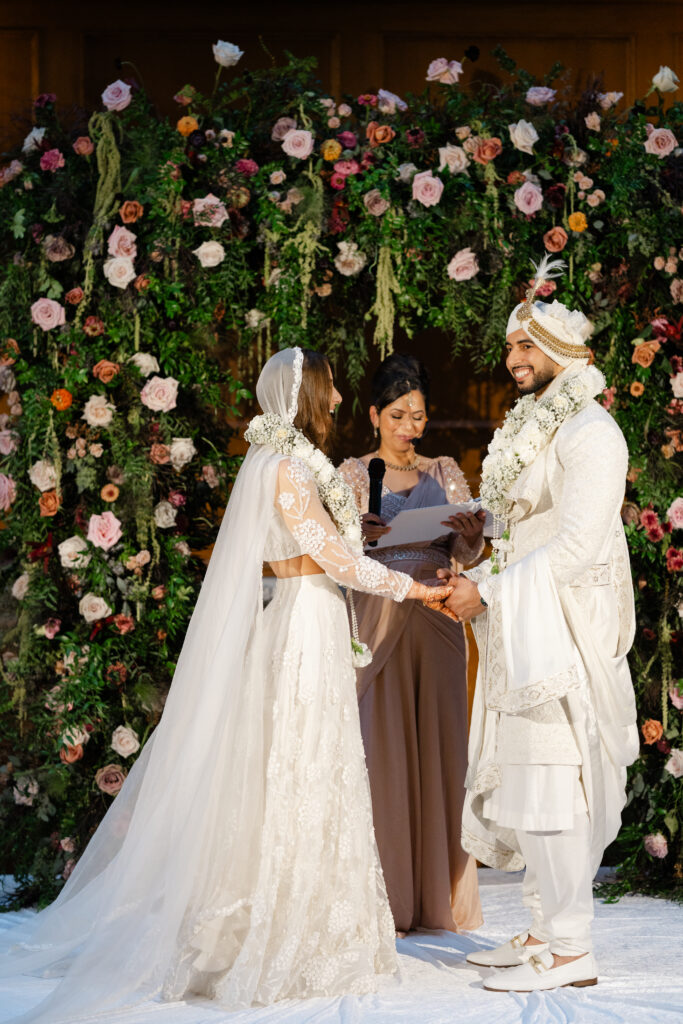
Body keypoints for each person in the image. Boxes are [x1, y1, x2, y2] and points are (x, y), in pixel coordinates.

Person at [0, 347, 453, 1022]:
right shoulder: (285, 467)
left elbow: (325, 546)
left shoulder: (285, 463)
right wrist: (412, 587)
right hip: (304, 618)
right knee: (300, 765)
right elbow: (330, 557)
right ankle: (285, 930)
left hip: (312, 615)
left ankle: (320, 918)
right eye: (327, 393)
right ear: (304, 396)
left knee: (313, 764)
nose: (333, 403)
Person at [437, 259, 638, 992]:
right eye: (510, 348)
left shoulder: (592, 432)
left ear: (566, 351)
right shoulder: (534, 425)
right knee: (526, 776)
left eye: (526, 347)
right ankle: (540, 929)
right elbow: (524, 527)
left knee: (553, 779)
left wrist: (487, 591)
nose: (513, 360)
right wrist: (479, 537)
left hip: (563, 627)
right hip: (525, 621)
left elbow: (579, 546)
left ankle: (571, 950)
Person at [338, 353, 484, 935]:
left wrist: (472, 540)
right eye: (398, 415)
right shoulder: (351, 475)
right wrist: (360, 540)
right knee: (384, 749)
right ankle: (389, 900)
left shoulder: (445, 470)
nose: (409, 427)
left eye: (418, 416)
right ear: (374, 414)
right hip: (378, 617)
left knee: (443, 751)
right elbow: (333, 554)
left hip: (441, 619)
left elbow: (470, 556)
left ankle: (439, 898)